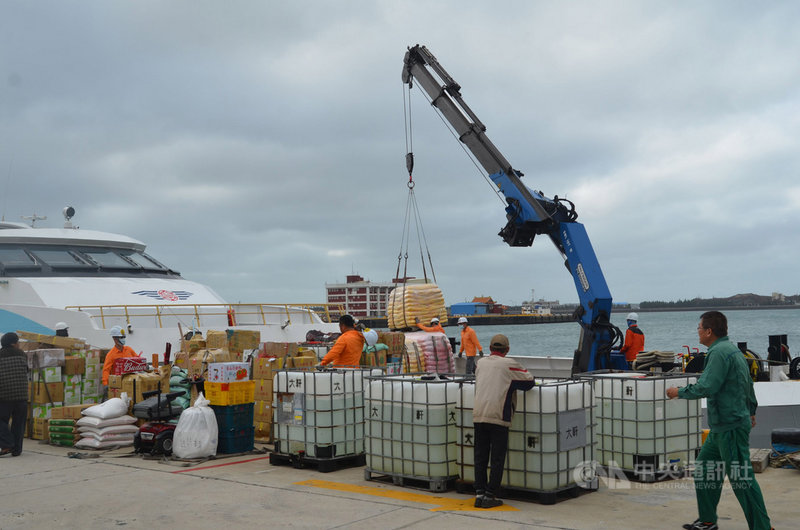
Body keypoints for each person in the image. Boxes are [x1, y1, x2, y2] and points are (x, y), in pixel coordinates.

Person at [666, 311, 771, 530]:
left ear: (709, 331)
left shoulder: (718, 354)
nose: (697, 331)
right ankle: (707, 521)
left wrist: (678, 392)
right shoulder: (732, 350)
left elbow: (707, 386)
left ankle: (762, 527)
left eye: (699, 327)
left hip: (730, 427)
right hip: (721, 427)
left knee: (741, 480)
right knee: (704, 470)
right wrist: (751, 409)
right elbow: (747, 384)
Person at [472, 334, 535, 508]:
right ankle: (490, 495)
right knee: (497, 458)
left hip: (479, 414)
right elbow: (529, 382)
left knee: (480, 456)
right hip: (498, 416)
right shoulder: (509, 364)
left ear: (490, 348)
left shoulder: (480, 363)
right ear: (507, 350)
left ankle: (479, 493)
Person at [0, 332, 29, 456]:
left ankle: (7, 444)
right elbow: (26, 370)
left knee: (2, 421)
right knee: (19, 423)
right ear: (13, 343)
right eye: (18, 342)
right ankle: (16, 450)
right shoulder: (22, 354)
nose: (19, 344)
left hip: (4, 395)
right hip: (22, 395)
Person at [101, 325, 140, 399]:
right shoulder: (111, 354)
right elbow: (106, 370)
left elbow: (138, 359)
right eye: (121, 337)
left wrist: (145, 365)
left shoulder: (129, 349)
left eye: (124, 337)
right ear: (115, 339)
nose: (123, 339)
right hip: (118, 384)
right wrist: (105, 384)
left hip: (130, 381)